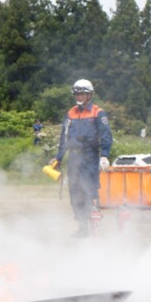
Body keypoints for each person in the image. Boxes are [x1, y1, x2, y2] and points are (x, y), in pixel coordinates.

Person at [51, 79, 113, 237]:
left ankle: (94, 225)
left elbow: (106, 136)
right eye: (77, 93)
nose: (79, 96)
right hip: (73, 160)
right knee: (75, 193)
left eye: (82, 93)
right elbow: (63, 138)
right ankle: (82, 227)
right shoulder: (70, 113)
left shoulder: (98, 112)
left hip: (90, 158)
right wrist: (58, 158)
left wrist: (104, 155)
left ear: (89, 94)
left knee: (89, 191)